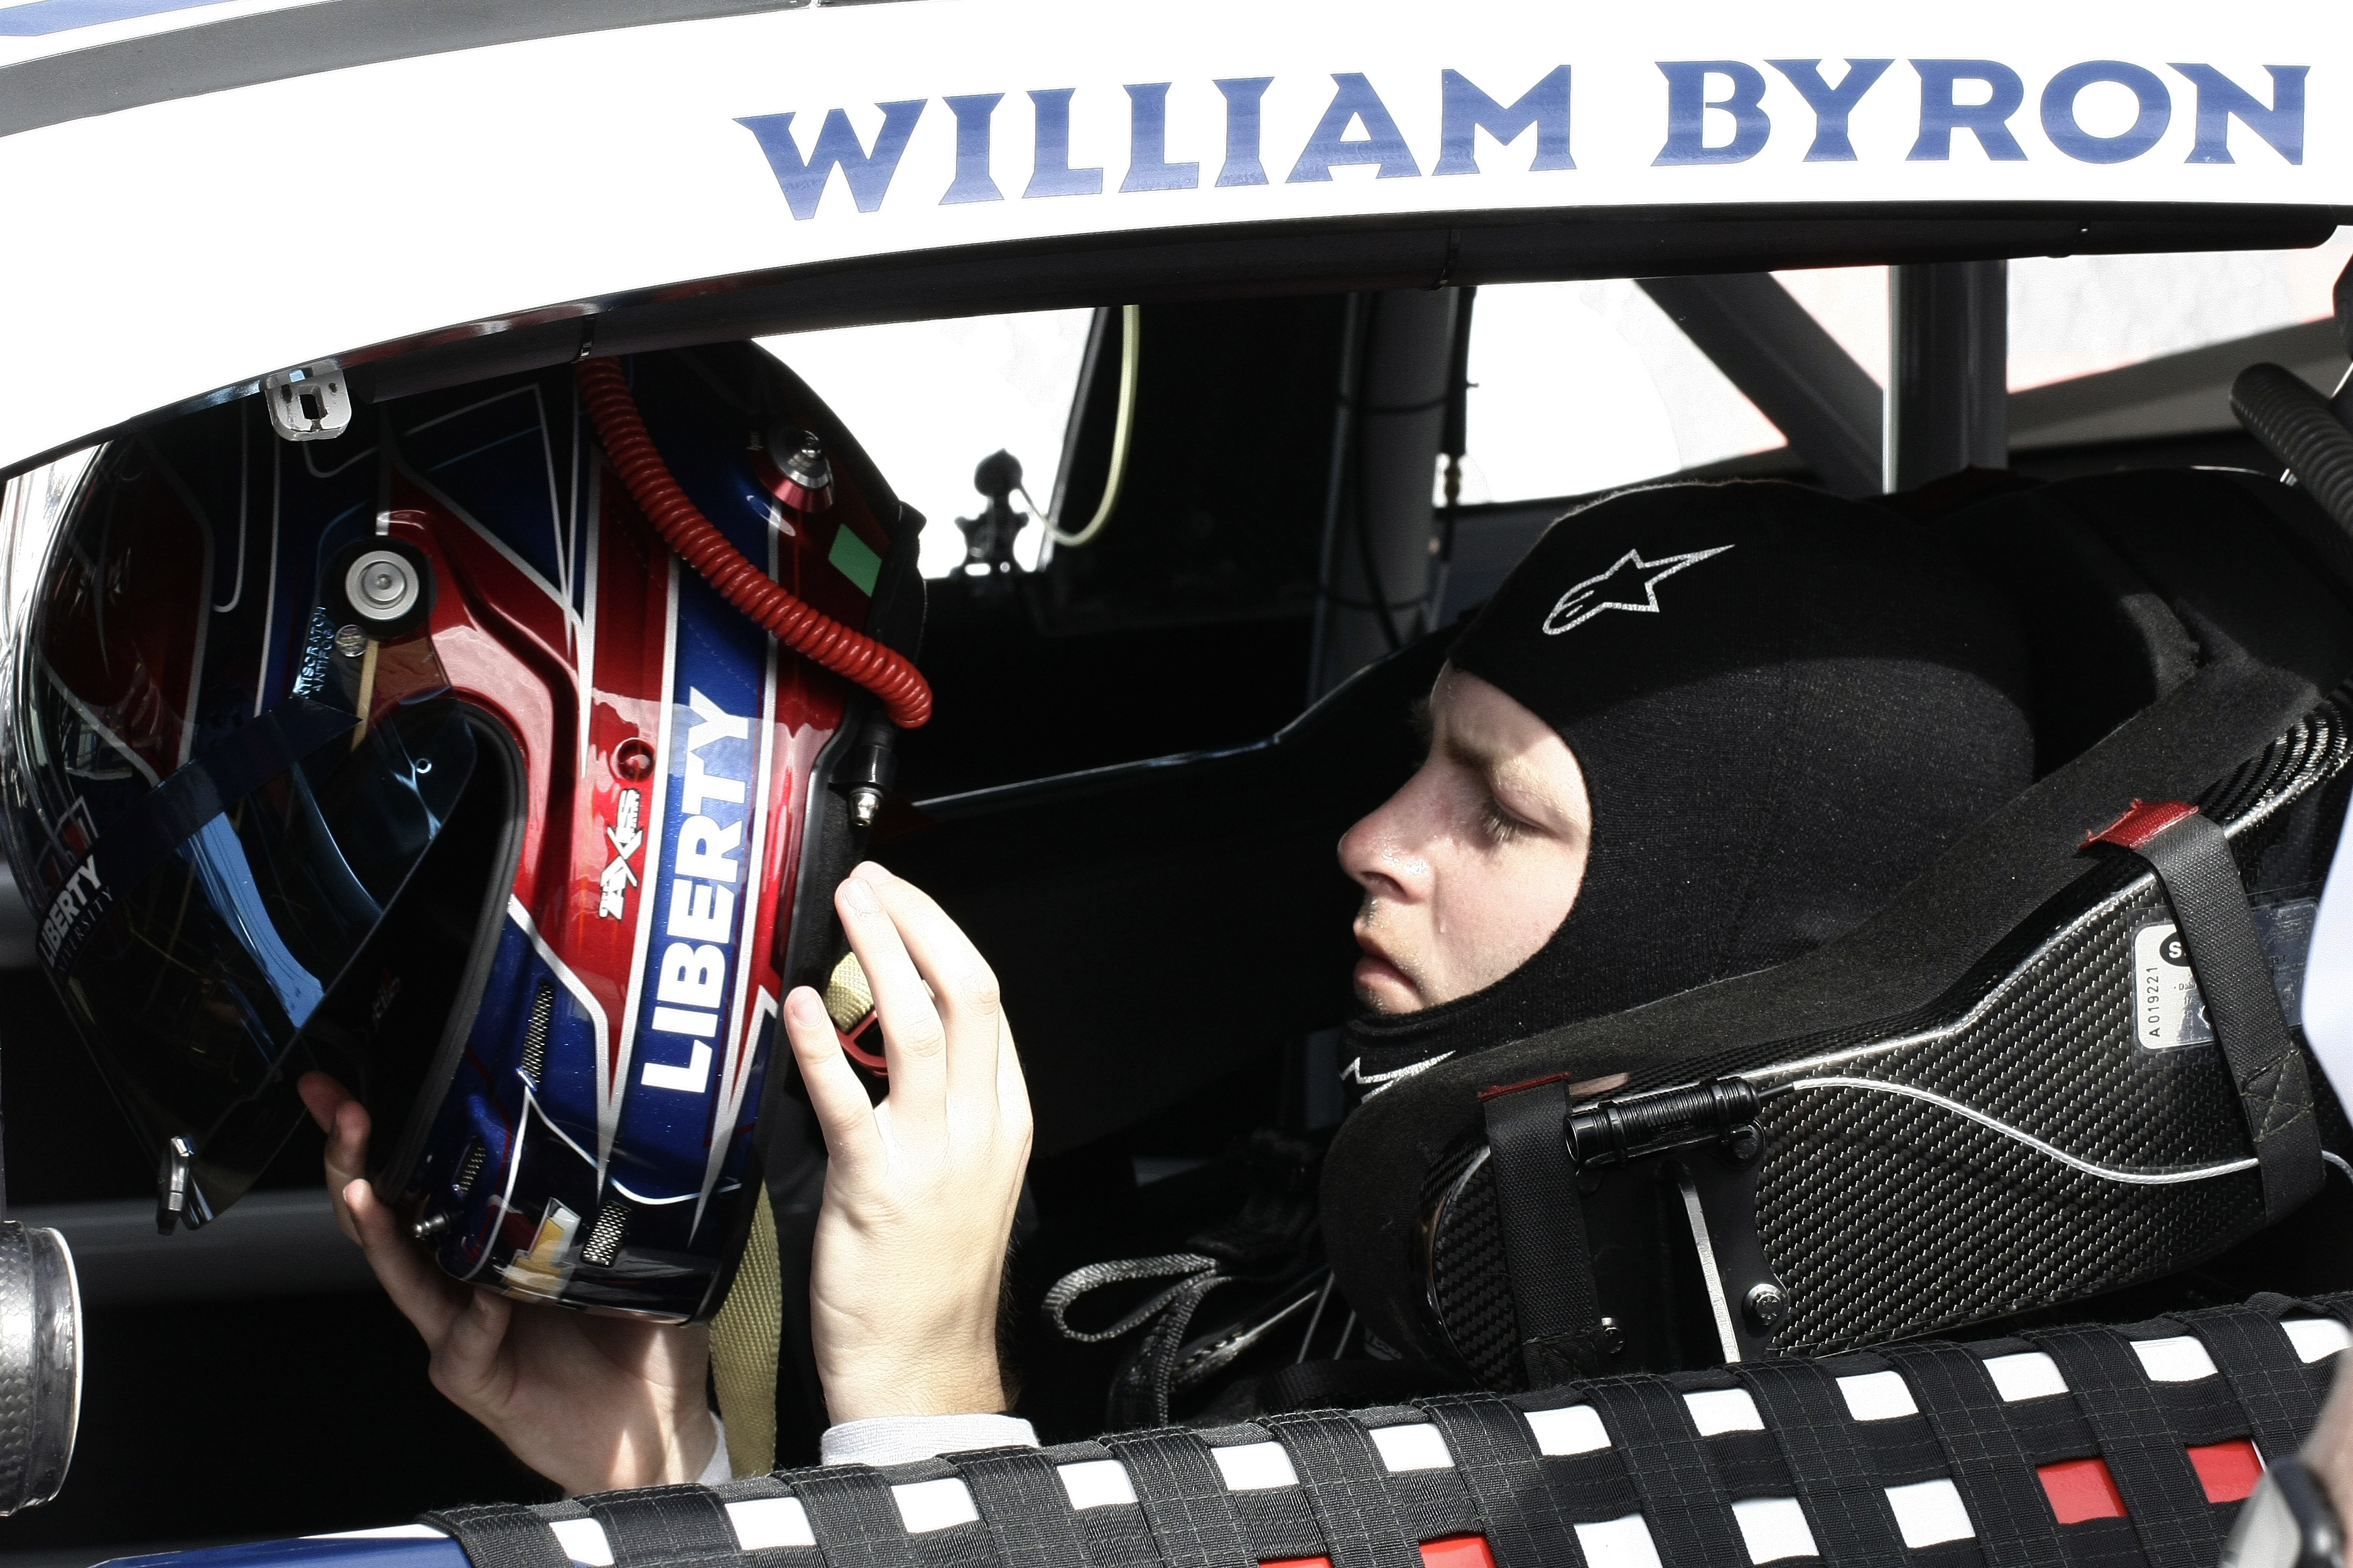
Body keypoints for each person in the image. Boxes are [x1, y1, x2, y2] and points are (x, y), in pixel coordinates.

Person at [311, 479, 2041, 1481]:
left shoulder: (1724, 1460)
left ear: (1718, 947)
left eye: (1499, 811)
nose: (1373, 833)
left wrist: (922, 1389)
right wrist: (680, 1480)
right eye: (1423, 750)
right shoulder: (1395, 1273)